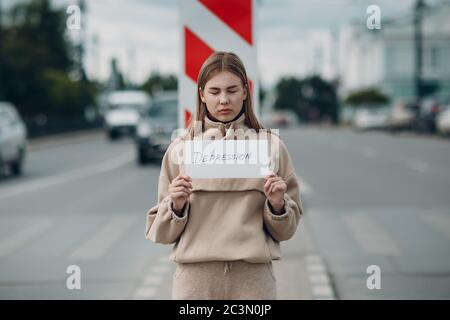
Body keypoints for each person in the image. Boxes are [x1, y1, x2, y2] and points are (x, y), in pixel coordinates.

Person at [145, 52, 304, 300]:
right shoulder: (181, 150)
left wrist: (277, 205)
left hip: (254, 281)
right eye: (215, 91)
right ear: (202, 94)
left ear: (245, 91)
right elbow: (162, 233)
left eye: (231, 90)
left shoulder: (272, 148)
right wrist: (175, 207)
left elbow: (286, 231)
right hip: (194, 283)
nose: (223, 100)